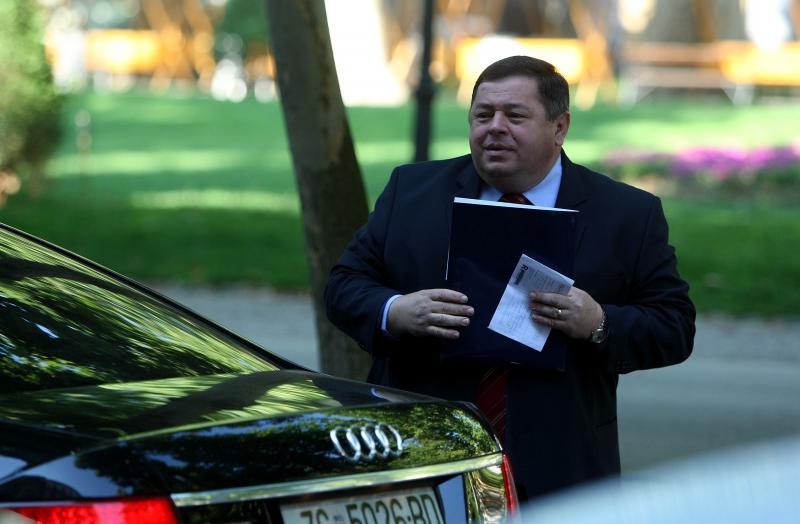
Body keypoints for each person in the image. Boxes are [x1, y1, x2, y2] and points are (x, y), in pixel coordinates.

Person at [324, 55, 695, 500]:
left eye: (515, 116)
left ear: (560, 127)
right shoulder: (413, 191)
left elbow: (674, 326)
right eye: (483, 115)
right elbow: (344, 285)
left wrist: (598, 323)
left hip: (561, 463)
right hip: (422, 454)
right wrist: (396, 311)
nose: (495, 127)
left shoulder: (626, 214)